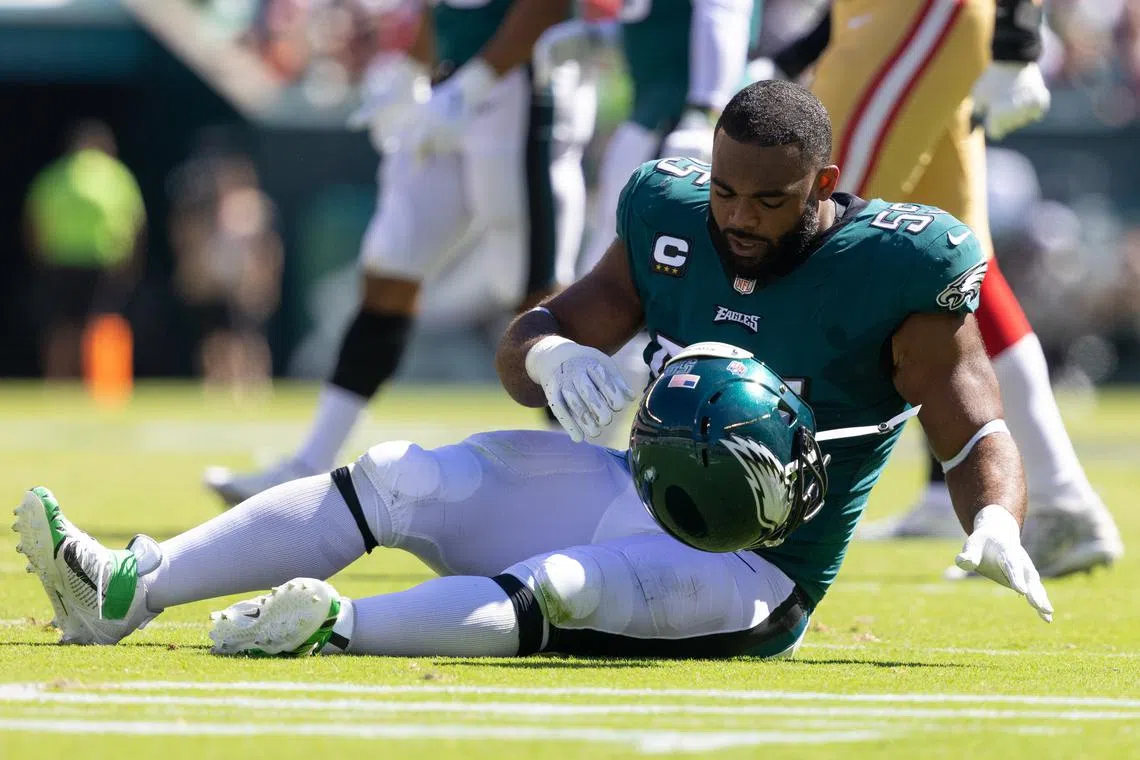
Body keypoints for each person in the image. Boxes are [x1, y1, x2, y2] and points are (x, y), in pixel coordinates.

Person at [15, 81, 1052, 658]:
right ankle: (128, 586)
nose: (737, 217)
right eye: (727, 192)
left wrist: (995, 517)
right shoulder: (673, 214)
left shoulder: (896, 267)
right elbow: (535, 336)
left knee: (561, 586)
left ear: (821, 185)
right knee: (404, 476)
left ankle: (336, 625)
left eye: (768, 202)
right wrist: (552, 354)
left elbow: (974, 426)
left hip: (750, 571)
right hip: (632, 492)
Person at [204, 0, 578, 505]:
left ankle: (573, 472)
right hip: (452, 86)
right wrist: (409, 70)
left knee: (533, 292)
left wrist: (474, 84)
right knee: (391, 267)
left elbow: (547, 7)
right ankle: (309, 461)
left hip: (517, 88)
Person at [801, 0, 1122, 575]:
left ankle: (765, 472)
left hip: (920, 13)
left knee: (821, 216)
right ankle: (1060, 494)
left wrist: (1018, 35)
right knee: (961, 260)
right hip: (878, 18)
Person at [23, 120, 145, 379]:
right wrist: (131, 262)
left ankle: (58, 379)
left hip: (59, 261)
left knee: (61, 327)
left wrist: (39, 257)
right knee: (99, 326)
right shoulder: (116, 175)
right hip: (102, 262)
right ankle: (99, 383)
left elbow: (33, 221)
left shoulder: (55, 175)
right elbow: (135, 222)